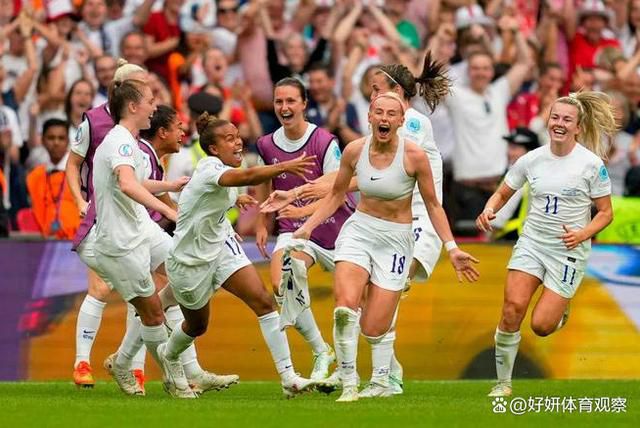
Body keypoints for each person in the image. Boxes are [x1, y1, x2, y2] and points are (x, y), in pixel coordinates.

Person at [291, 92, 479, 402]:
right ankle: (349, 383)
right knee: (344, 308)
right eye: (379, 112)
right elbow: (336, 195)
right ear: (369, 116)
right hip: (359, 232)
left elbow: (433, 205)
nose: (384, 119)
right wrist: (308, 227)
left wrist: (452, 247)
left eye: (392, 114)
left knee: (374, 327)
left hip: (396, 240)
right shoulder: (354, 151)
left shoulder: (414, 156)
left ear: (401, 121)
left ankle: (381, 380)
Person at [162, 114, 320, 398]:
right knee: (197, 326)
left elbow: (221, 194)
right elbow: (243, 177)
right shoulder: (209, 168)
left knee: (263, 301)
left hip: (221, 248)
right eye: (229, 139)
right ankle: (169, 355)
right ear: (213, 149)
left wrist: (238, 199)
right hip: (189, 261)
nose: (238, 143)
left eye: (238, 137)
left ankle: (289, 378)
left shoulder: (223, 168)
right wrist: (284, 166)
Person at [476, 91, 616, 398]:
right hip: (532, 243)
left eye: (567, 119)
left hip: (568, 250)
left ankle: (559, 307)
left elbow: (606, 213)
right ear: (548, 121)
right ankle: (503, 383)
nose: (559, 124)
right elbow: (502, 193)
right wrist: (489, 209)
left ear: (578, 127)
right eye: (555, 117)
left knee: (540, 325)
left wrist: (582, 234)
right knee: (512, 309)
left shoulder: (591, 164)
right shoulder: (532, 159)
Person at [91, 78, 195, 398]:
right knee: (153, 314)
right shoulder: (120, 142)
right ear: (134, 106)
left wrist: (169, 186)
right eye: (150, 100)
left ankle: (124, 361)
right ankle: (174, 379)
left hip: (141, 232)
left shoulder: (129, 141)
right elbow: (127, 184)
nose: (154, 106)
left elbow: (136, 181)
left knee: (188, 274)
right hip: (120, 243)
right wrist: (172, 213)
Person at [255, 77, 355, 381]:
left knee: (351, 303)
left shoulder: (324, 141)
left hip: (337, 229)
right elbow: (264, 180)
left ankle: (374, 370)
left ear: (303, 105)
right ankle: (320, 350)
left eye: (290, 101)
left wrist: (302, 209)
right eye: (278, 102)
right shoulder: (266, 143)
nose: (284, 107)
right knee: (282, 282)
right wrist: (262, 221)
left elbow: (336, 191)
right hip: (294, 229)